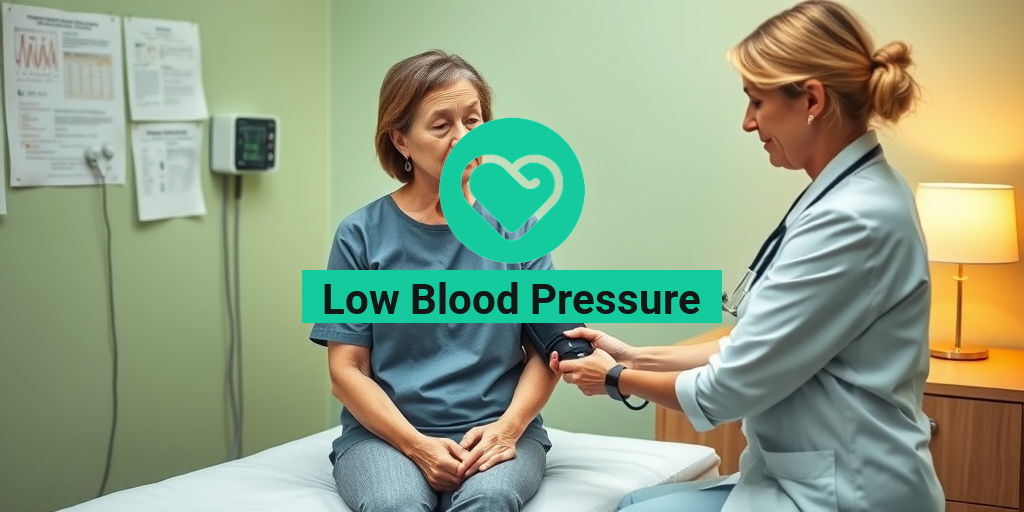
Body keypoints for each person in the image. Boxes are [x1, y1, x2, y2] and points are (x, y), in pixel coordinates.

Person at [551, 1, 944, 511]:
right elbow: (754, 344)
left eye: (756, 101)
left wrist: (612, 378)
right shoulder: (847, 193)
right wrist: (631, 354)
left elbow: (726, 389)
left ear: (812, 99)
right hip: (809, 473)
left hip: (848, 490)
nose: (747, 122)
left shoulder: (852, 220)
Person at [309, 50, 558, 512]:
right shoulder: (360, 235)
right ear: (401, 140)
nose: (463, 138)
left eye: (474, 120)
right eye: (442, 126)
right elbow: (347, 372)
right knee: (395, 505)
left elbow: (550, 351)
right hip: (385, 435)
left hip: (496, 428)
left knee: (488, 500)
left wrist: (507, 430)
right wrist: (417, 445)